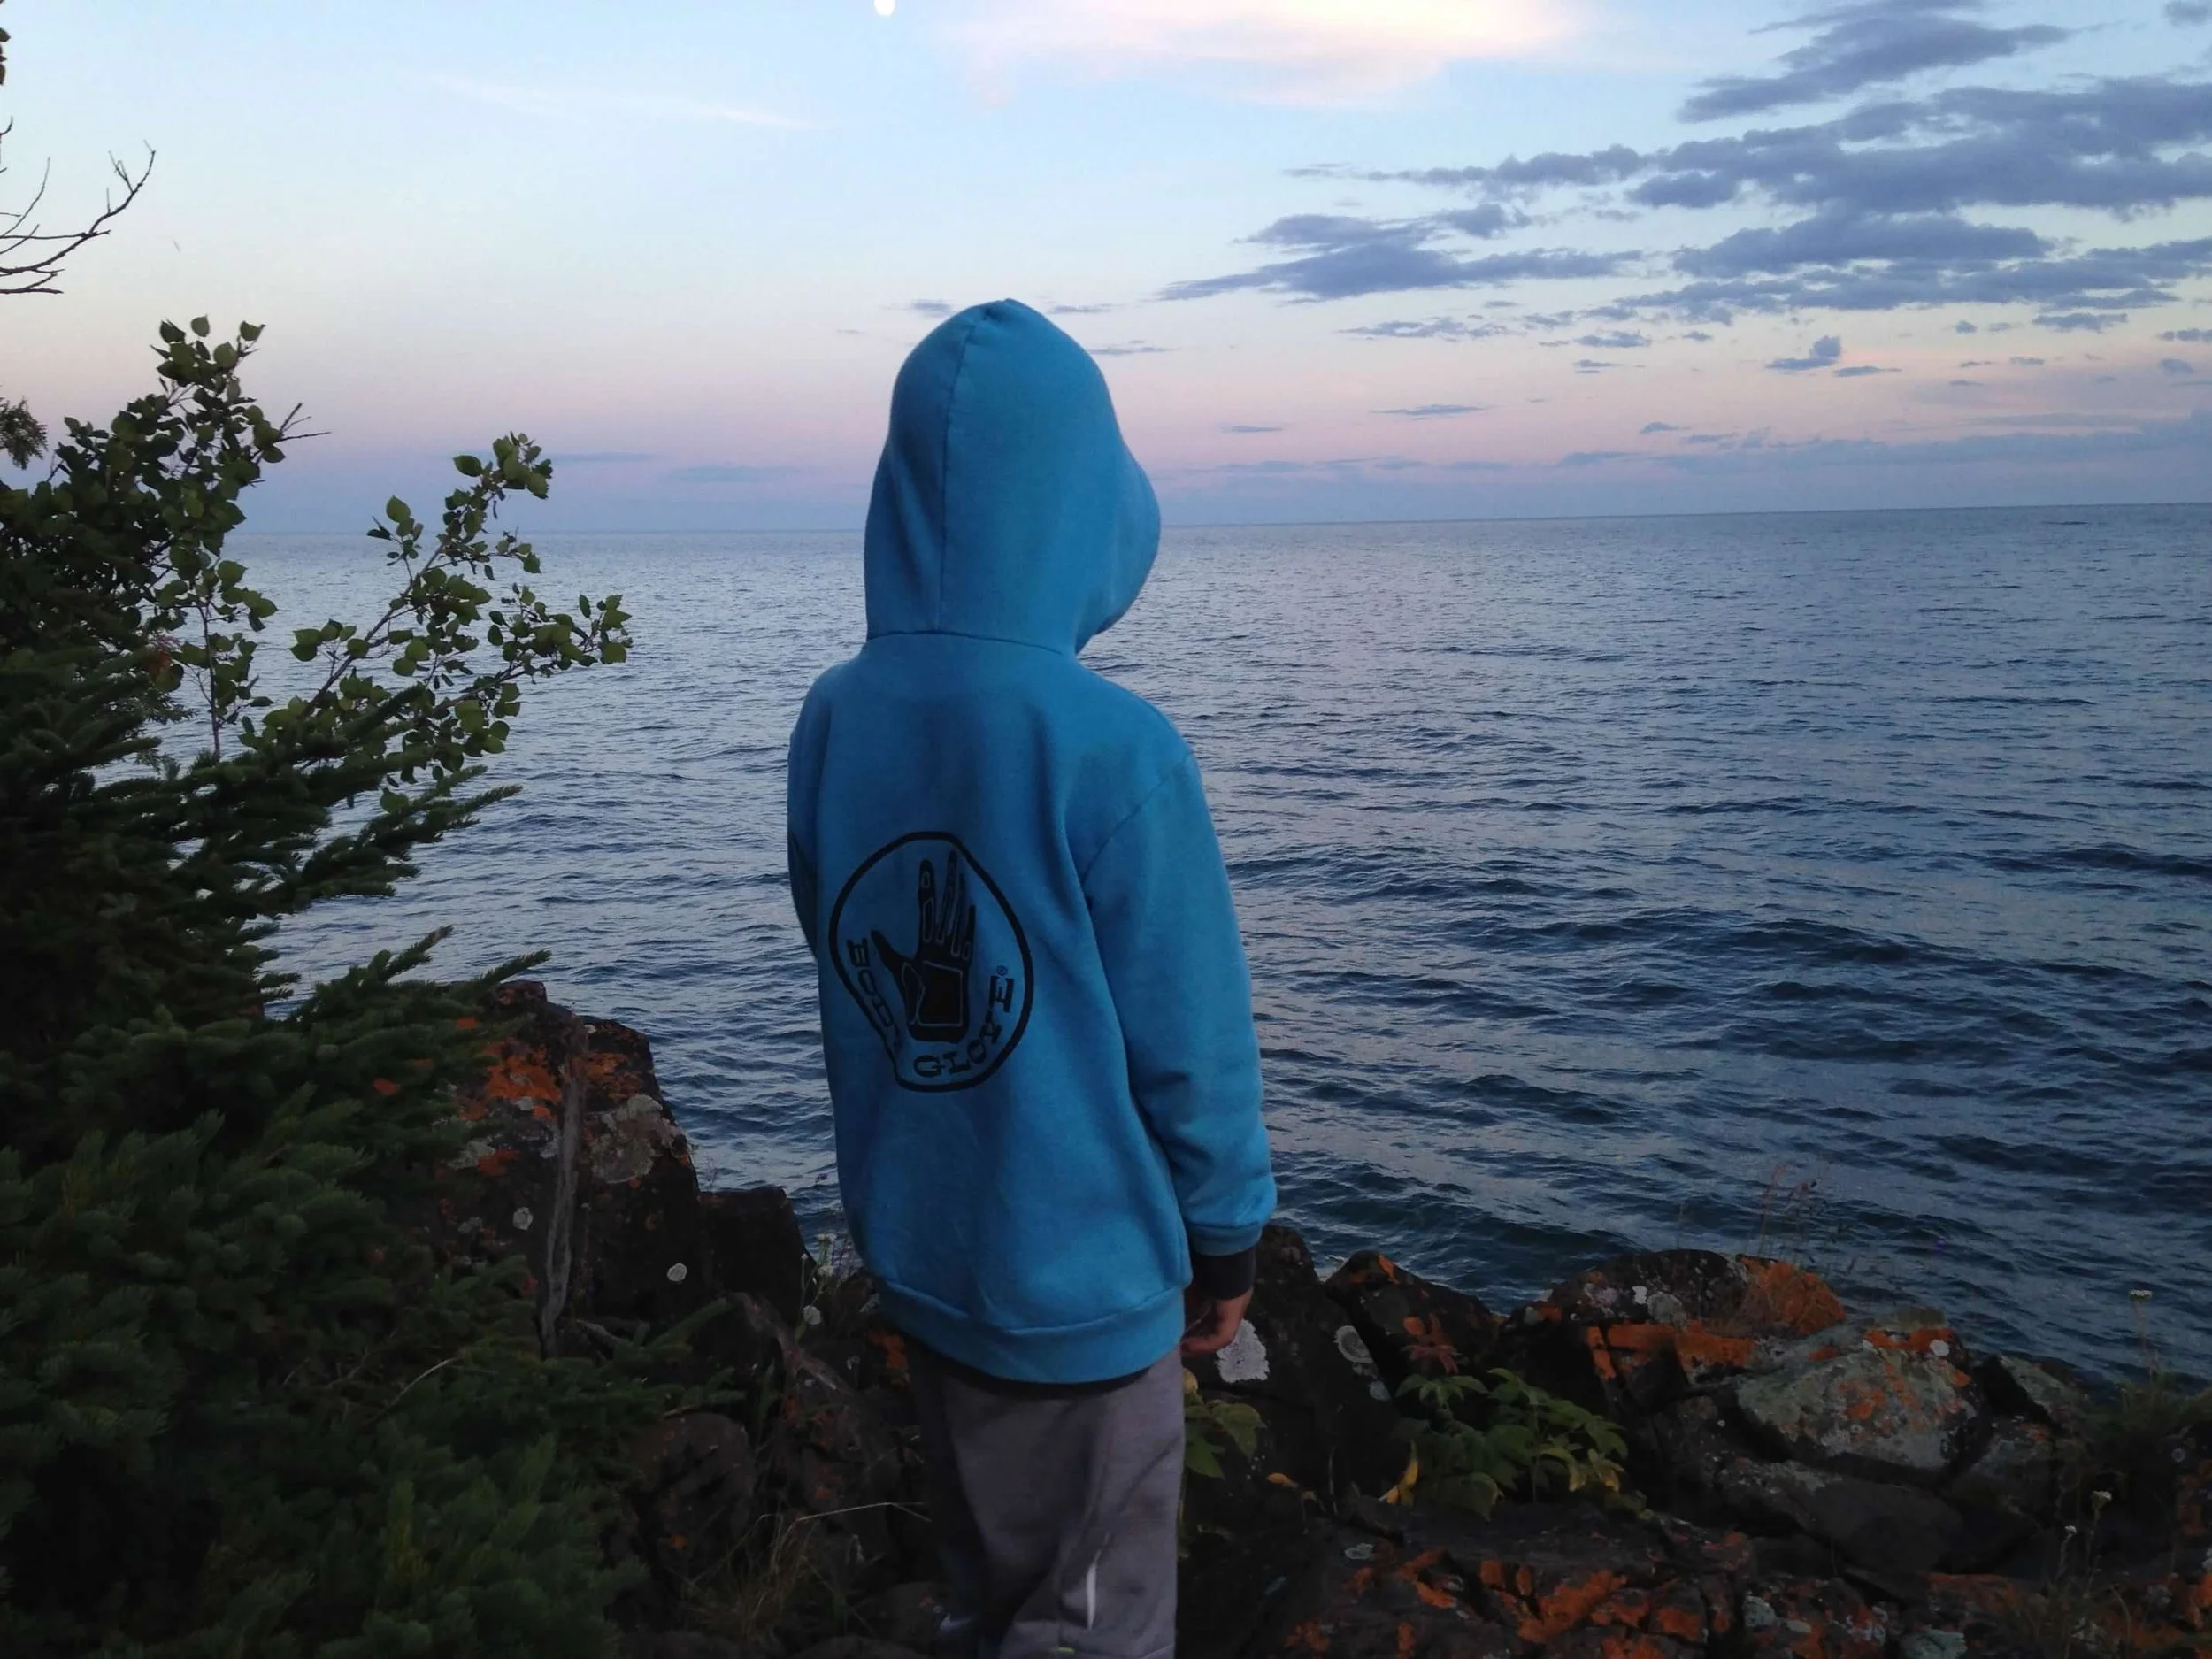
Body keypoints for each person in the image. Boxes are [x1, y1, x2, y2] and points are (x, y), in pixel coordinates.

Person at [785, 298, 1276, 1656]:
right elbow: (1192, 1033)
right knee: (1095, 1616)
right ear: (1081, 512)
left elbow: (841, 947)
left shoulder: (837, 713)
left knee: (987, 1577)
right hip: (1087, 1281)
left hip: (925, 1244)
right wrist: (1226, 1230)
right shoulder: (1114, 747)